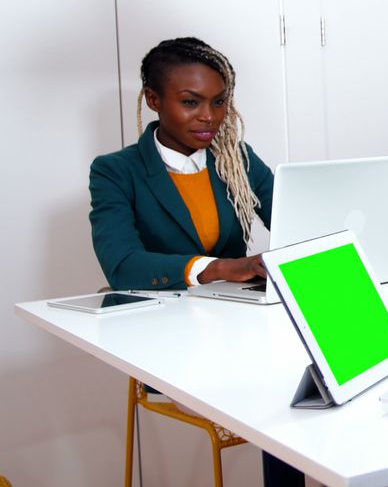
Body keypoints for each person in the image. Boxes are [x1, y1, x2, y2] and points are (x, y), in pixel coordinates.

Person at [88, 37, 303, 486]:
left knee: (309, 374)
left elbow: (296, 223)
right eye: (191, 102)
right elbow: (122, 265)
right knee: (291, 387)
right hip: (167, 342)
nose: (209, 116)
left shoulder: (237, 161)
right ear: (153, 100)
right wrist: (223, 267)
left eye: (219, 102)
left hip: (241, 328)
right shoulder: (115, 171)